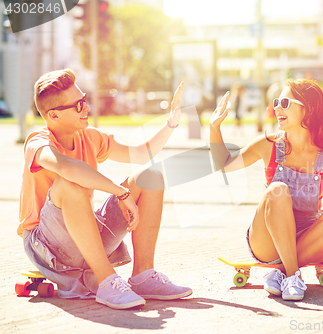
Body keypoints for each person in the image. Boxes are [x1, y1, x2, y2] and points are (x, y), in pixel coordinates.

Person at [18, 69, 192, 309]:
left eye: (84, 99)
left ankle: (143, 276)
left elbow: (141, 154)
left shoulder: (89, 137)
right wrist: (120, 192)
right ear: (54, 115)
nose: (87, 107)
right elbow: (68, 168)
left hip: (84, 238)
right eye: (78, 105)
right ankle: (106, 281)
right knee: (69, 183)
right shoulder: (38, 142)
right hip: (47, 247)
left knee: (150, 176)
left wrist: (171, 121)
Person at [209, 79, 323, 301]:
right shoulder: (267, 144)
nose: (277, 107)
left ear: (308, 110)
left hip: (308, 239)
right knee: (277, 190)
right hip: (266, 242)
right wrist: (214, 127)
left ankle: (281, 271)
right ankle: (293, 275)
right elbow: (225, 163)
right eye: (276, 101)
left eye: (285, 102)